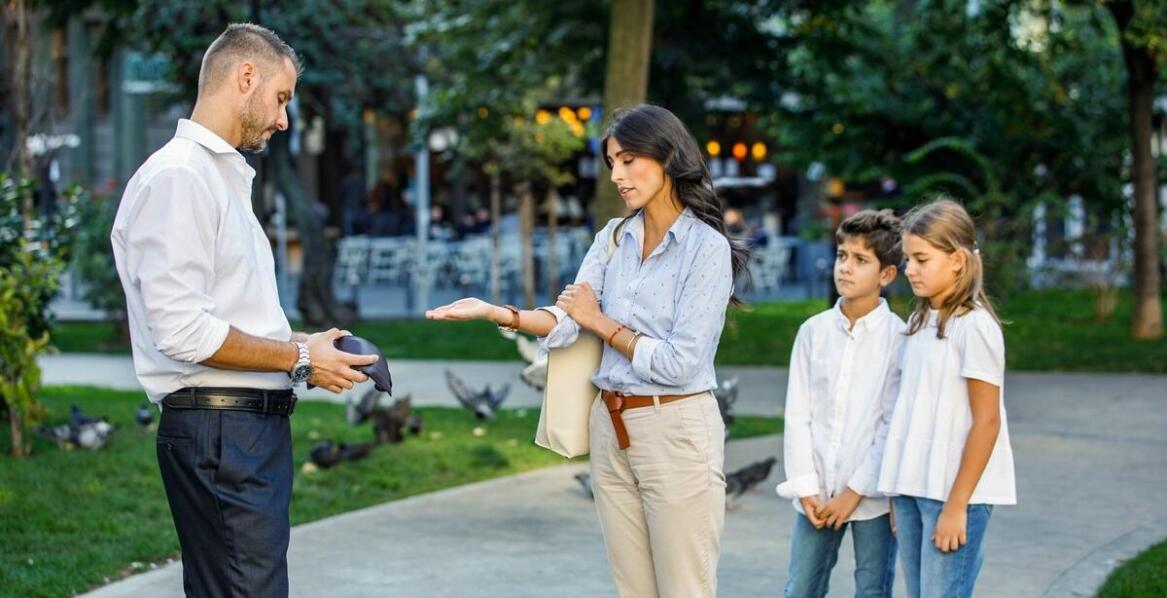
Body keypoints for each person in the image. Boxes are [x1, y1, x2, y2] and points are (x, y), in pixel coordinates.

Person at [426, 104, 749, 597]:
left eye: (628, 160)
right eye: (611, 162)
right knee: (633, 589)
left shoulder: (706, 249)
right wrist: (499, 313)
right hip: (610, 428)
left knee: (685, 588)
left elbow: (680, 363)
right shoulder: (614, 238)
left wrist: (601, 322)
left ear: (668, 156)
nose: (617, 175)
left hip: (676, 431)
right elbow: (566, 320)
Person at [110, 23, 377, 598]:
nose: (283, 119)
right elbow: (182, 331)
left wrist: (302, 342)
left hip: (236, 431)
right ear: (245, 76)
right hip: (220, 431)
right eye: (281, 98)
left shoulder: (214, 178)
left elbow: (218, 315)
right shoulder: (181, 177)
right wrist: (300, 356)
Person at [877, 198, 1016, 598]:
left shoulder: (975, 328)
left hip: (953, 496)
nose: (909, 268)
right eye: (907, 258)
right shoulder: (919, 324)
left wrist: (957, 506)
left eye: (921, 258)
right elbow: (908, 412)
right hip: (912, 490)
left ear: (956, 260)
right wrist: (896, 489)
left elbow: (987, 422)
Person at [777, 210, 904, 597]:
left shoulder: (900, 339)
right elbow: (798, 414)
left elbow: (890, 425)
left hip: (873, 498)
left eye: (860, 260)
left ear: (886, 275)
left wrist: (854, 492)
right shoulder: (812, 333)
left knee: (872, 588)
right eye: (841, 256)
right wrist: (806, 487)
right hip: (816, 494)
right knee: (801, 588)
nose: (845, 268)